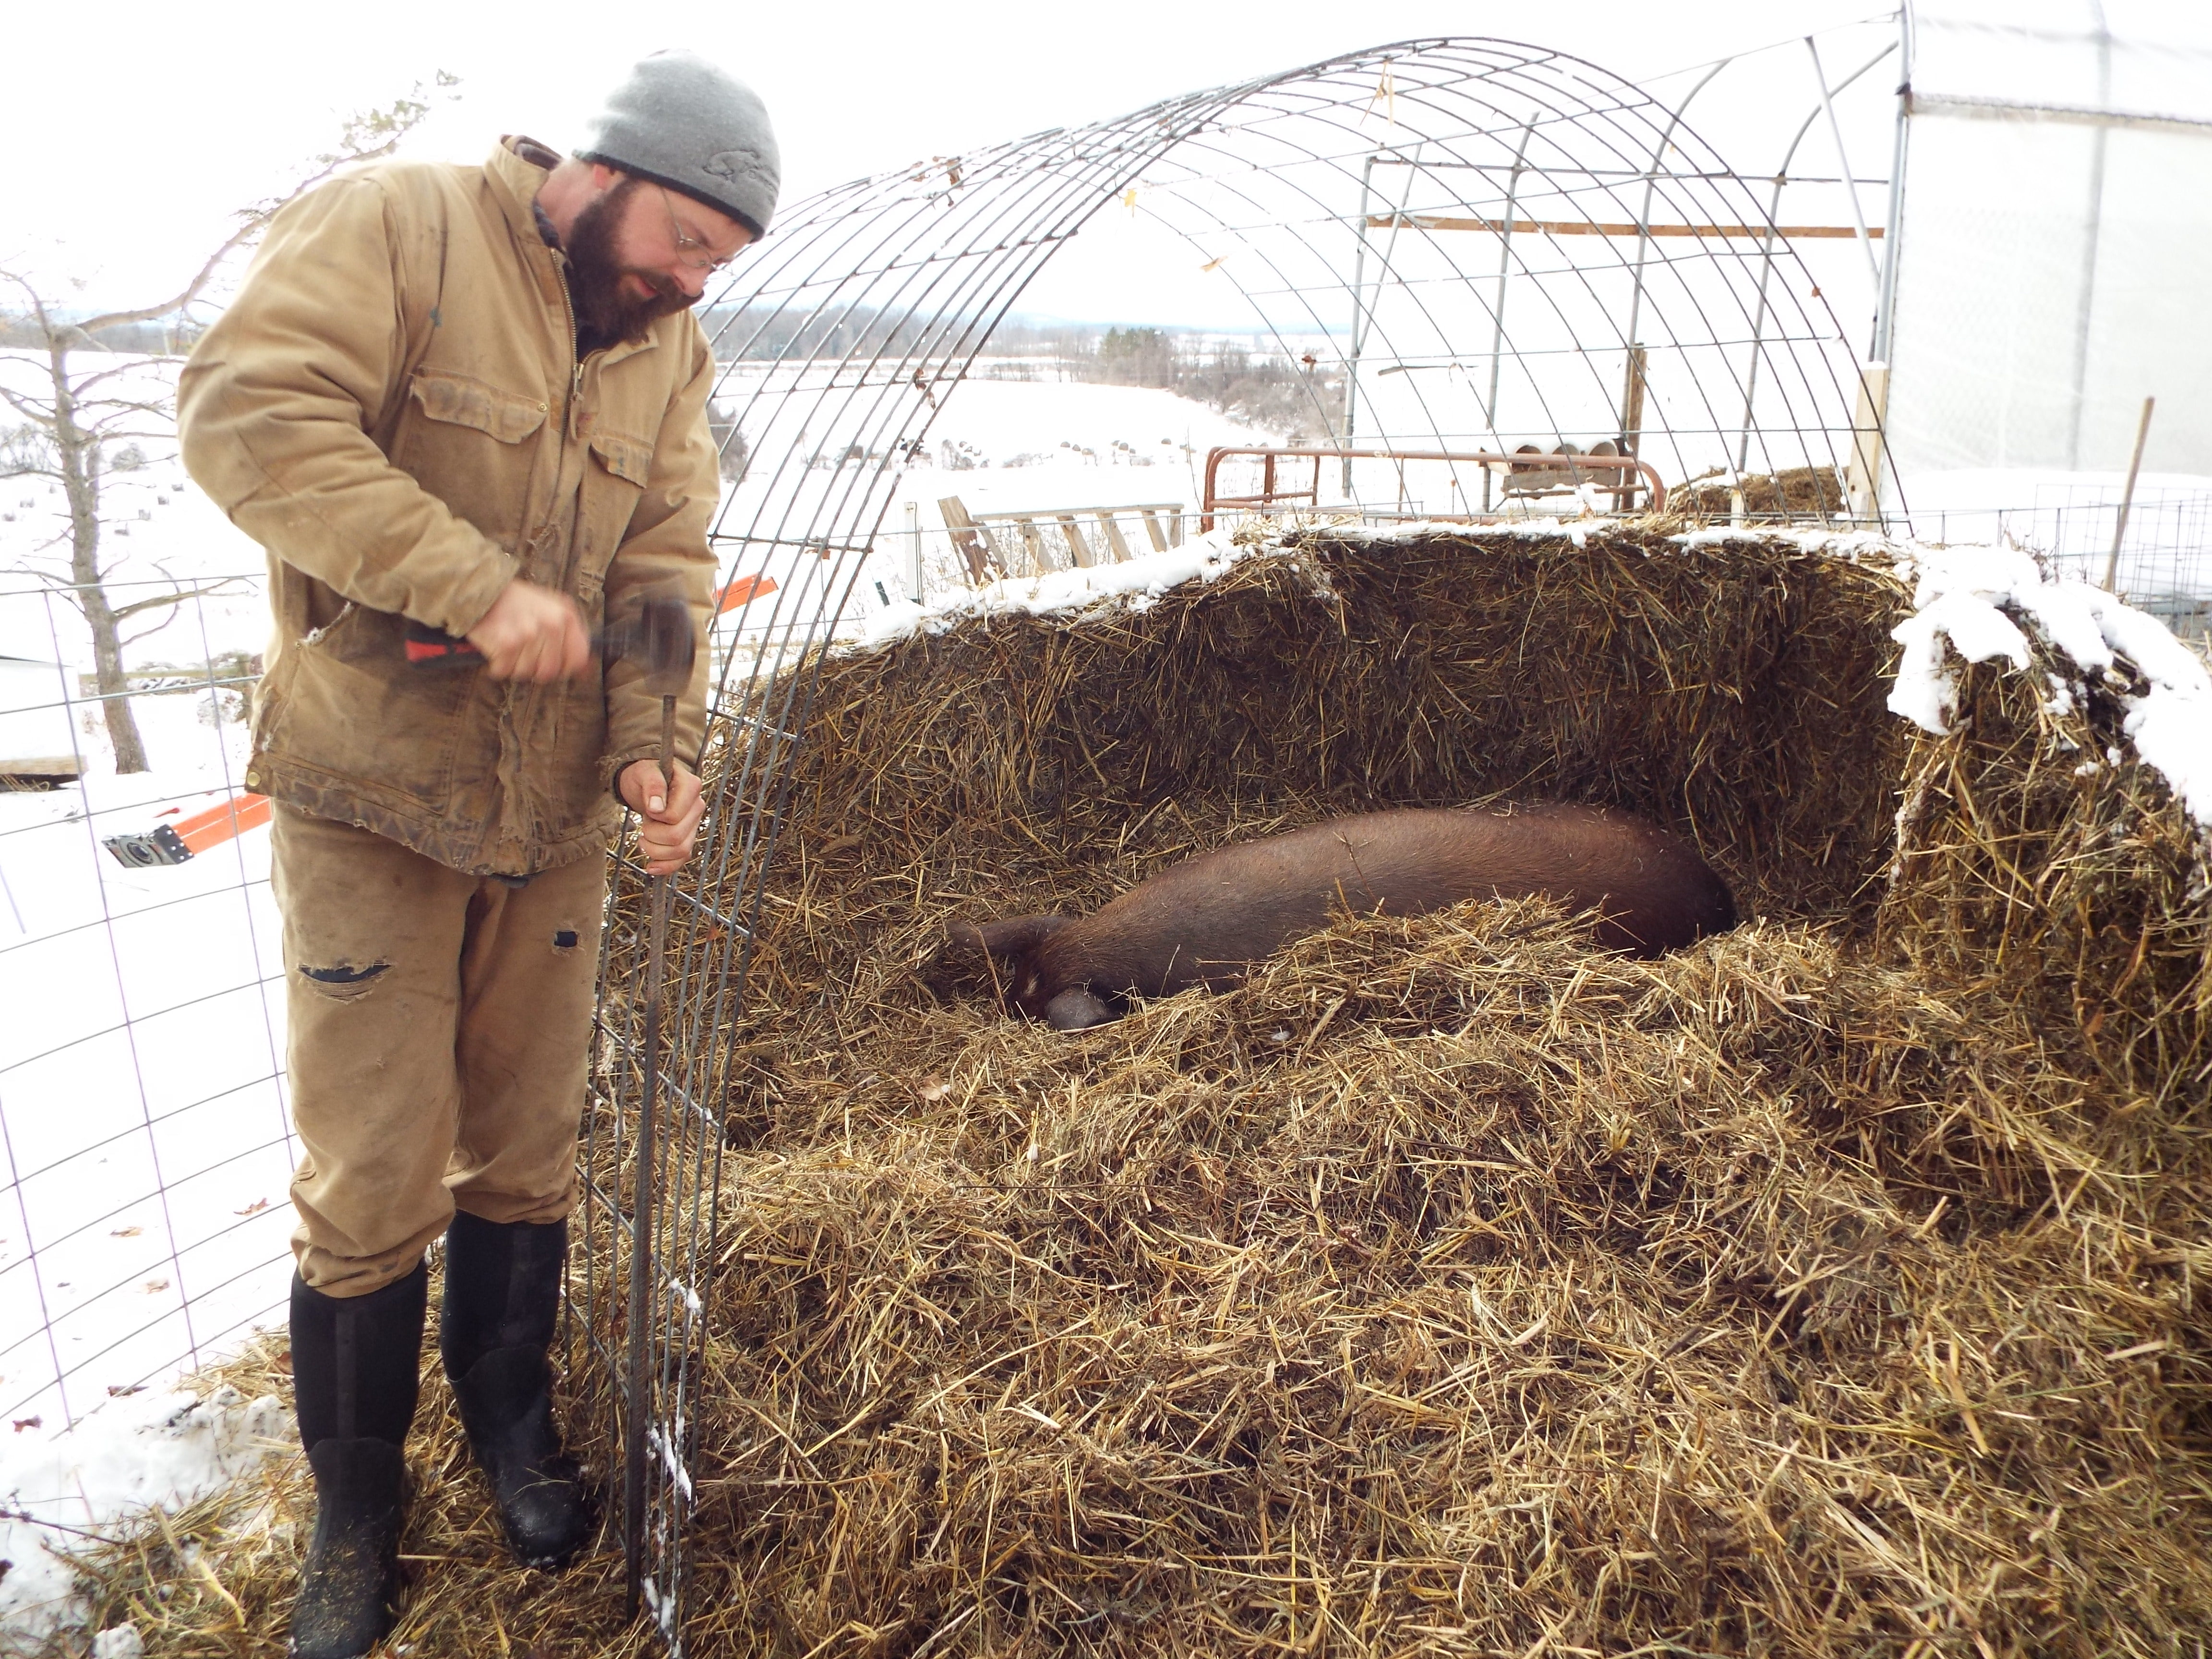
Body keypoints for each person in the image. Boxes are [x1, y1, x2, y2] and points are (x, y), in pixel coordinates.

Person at [177, 51, 778, 1659]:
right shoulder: (398, 229)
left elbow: (665, 564)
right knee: (372, 1177)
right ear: (609, 169)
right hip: (375, 792)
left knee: (525, 1149)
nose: (690, 281)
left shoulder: (667, 352)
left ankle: (512, 1434)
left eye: (719, 265)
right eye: (689, 241)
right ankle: (356, 1516)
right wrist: (470, 584)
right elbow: (250, 420)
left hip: (558, 809)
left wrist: (660, 740)